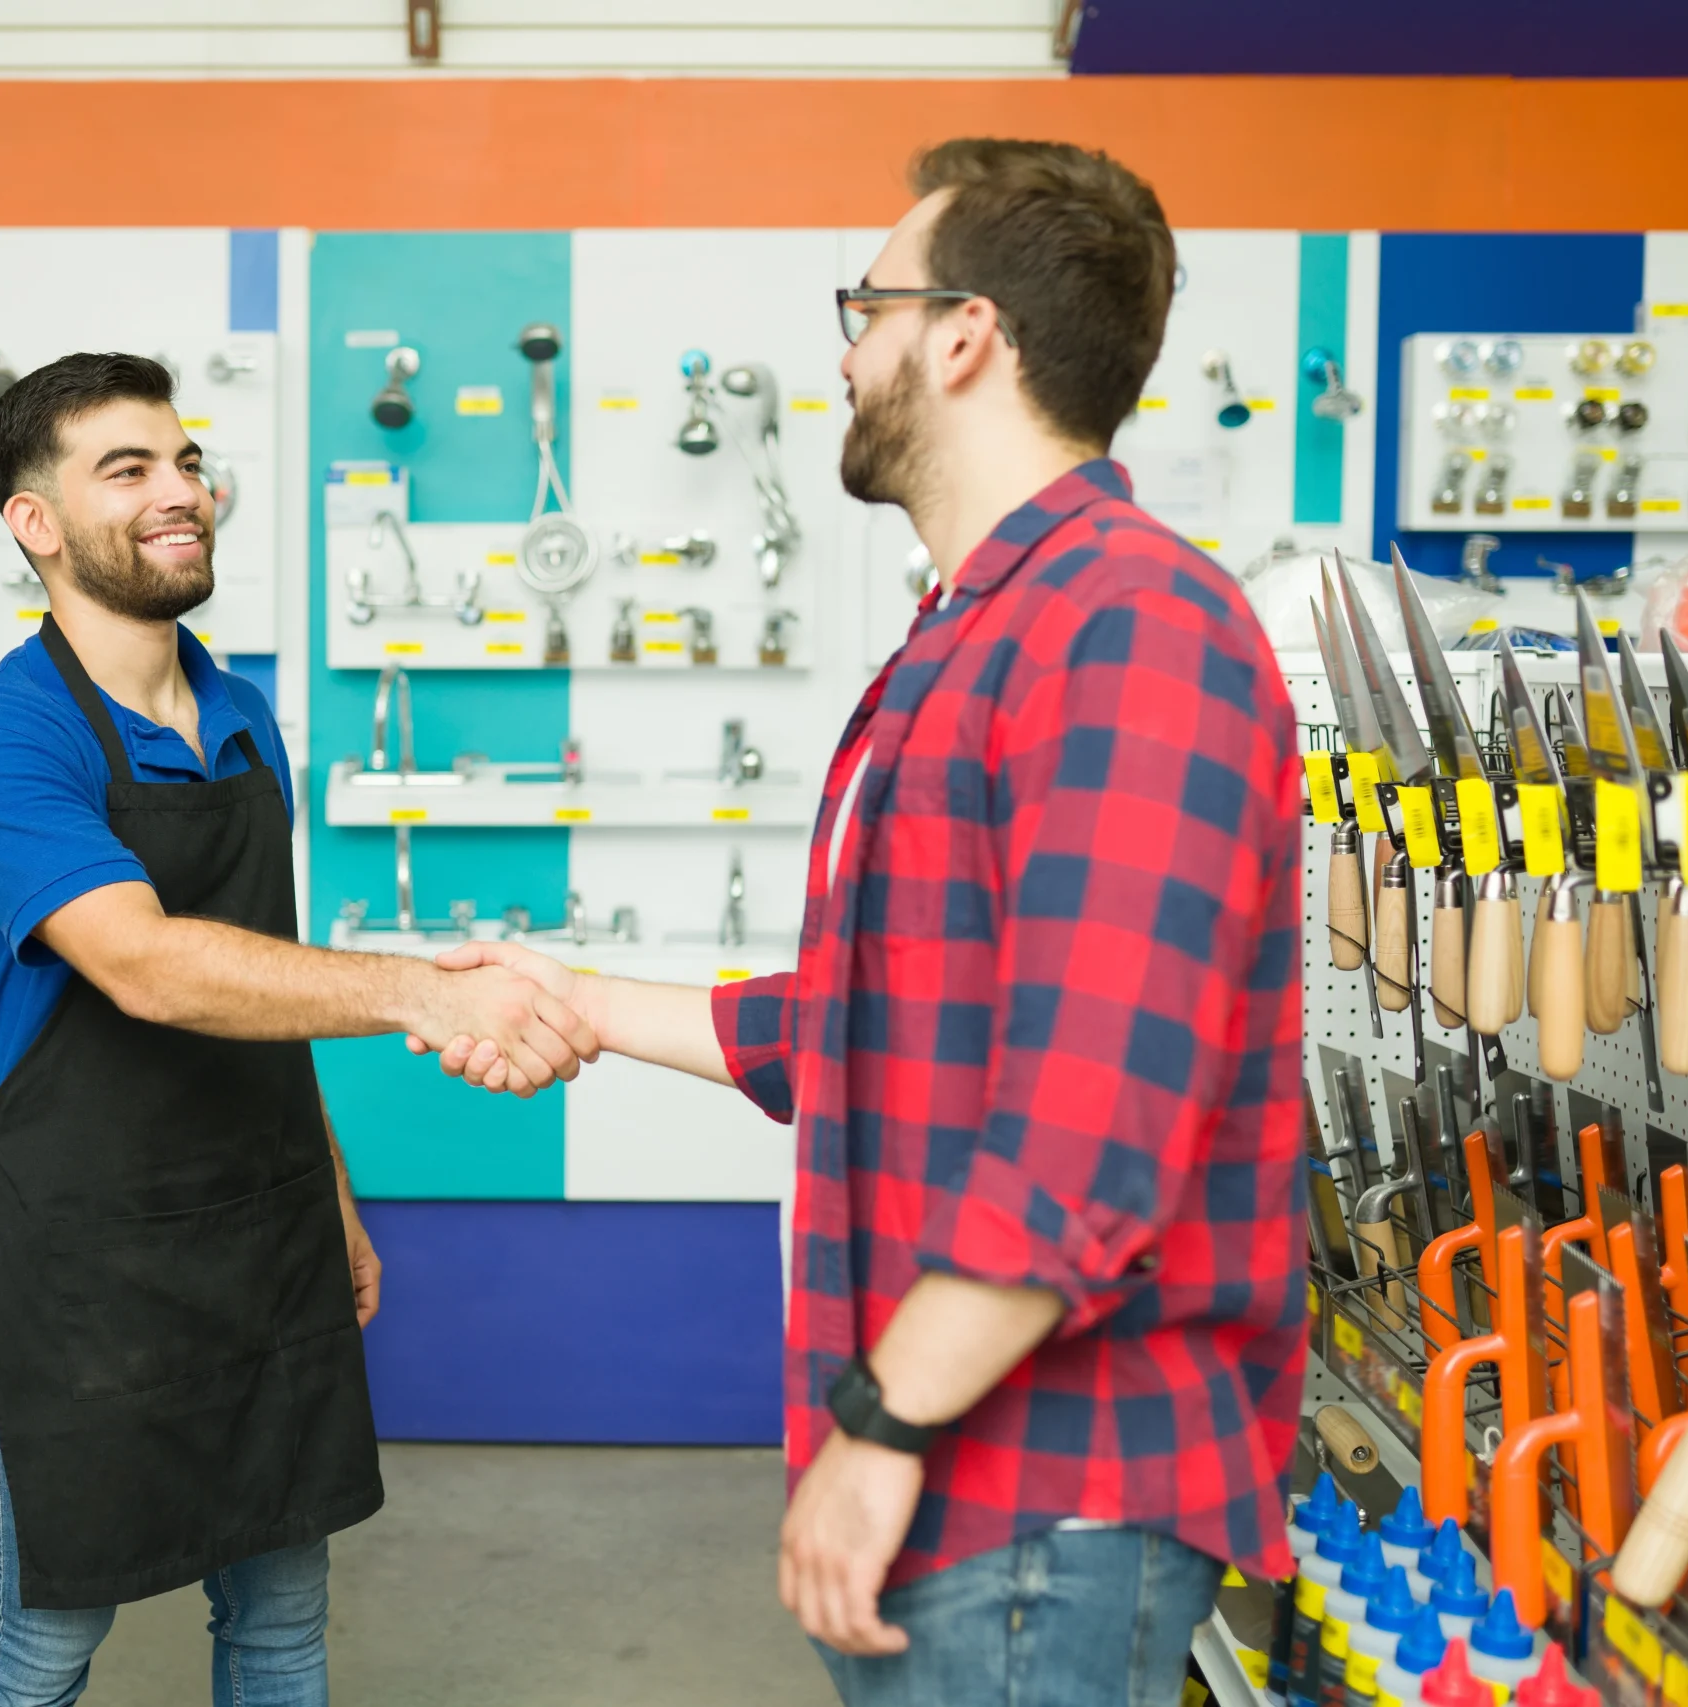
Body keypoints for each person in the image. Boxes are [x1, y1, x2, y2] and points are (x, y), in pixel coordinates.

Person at [427, 139, 1307, 1706]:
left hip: (1042, 1492)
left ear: (964, 334)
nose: (846, 351)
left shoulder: (1133, 627)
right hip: (968, 1483)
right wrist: (572, 996)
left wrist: (883, 1424)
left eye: (869, 306)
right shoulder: (972, 634)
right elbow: (863, 1015)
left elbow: (1089, 1128)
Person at [0, 352, 598, 1707]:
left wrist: (333, 1195)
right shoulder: (0, 740)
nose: (182, 491)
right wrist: (426, 989)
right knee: (43, 1639)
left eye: (184, 461)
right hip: (85, 1278)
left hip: (264, 1247)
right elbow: (153, 968)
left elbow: (265, 990)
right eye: (130, 469)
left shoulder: (240, 720)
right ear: (34, 523)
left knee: (284, 1625)